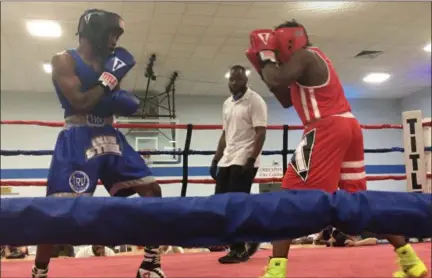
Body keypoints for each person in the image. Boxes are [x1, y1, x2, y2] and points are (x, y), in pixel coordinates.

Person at [246, 20, 428, 278]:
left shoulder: (305, 56)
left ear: (288, 42)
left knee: (287, 198)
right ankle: (411, 261)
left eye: (277, 47)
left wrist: (264, 56)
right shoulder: (308, 61)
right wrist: (264, 66)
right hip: (348, 127)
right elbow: (285, 97)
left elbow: (278, 77)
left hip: (325, 129)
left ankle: (276, 272)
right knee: (360, 202)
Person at [31, 9, 165, 278]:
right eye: (111, 34)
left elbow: (109, 100)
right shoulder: (64, 60)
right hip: (78, 135)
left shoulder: (111, 60)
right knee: (59, 212)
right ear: (93, 32)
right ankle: (39, 271)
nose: (115, 42)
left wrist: (115, 92)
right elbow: (80, 101)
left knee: (152, 190)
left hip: (109, 132)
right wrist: (108, 81)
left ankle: (151, 264)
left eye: (117, 36)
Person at [210, 65, 267, 264]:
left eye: (238, 79)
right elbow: (225, 134)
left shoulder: (255, 101)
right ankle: (250, 239)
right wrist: (216, 159)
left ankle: (239, 248)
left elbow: (261, 132)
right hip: (228, 157)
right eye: (231, 80)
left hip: (245, 157)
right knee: (220, 203)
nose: (234, 83)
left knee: (235, 203)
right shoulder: (227, 103)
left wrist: (251, 160)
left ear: (245, 80)